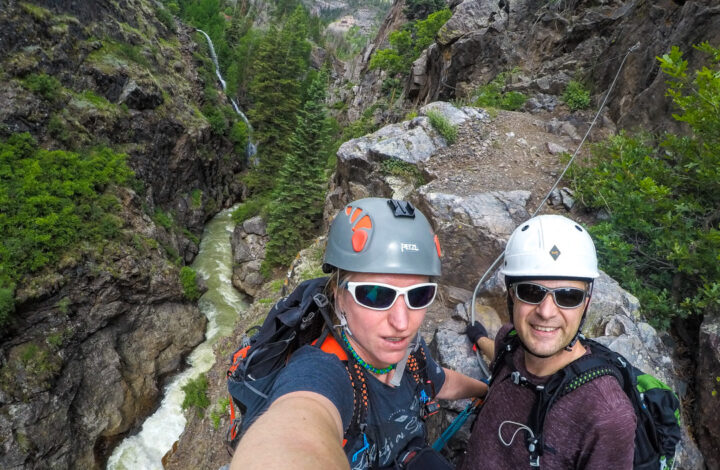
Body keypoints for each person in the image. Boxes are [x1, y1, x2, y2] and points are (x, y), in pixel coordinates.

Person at [231, 197, 487, 470]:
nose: (402, 323)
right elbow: (296, 425)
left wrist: (486, 391)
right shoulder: (320, 369)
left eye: (419, 295)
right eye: (375, 295)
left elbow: (439, 381)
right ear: (339, 295)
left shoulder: (410, 353)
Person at [461, 214, 636, 469]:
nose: (546, 311)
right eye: (531, 291)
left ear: (585, 303)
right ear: (512, 296)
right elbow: (497, 350)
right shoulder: (511, 342)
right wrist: (478, 337)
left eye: (567, 296)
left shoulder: (606, 414)